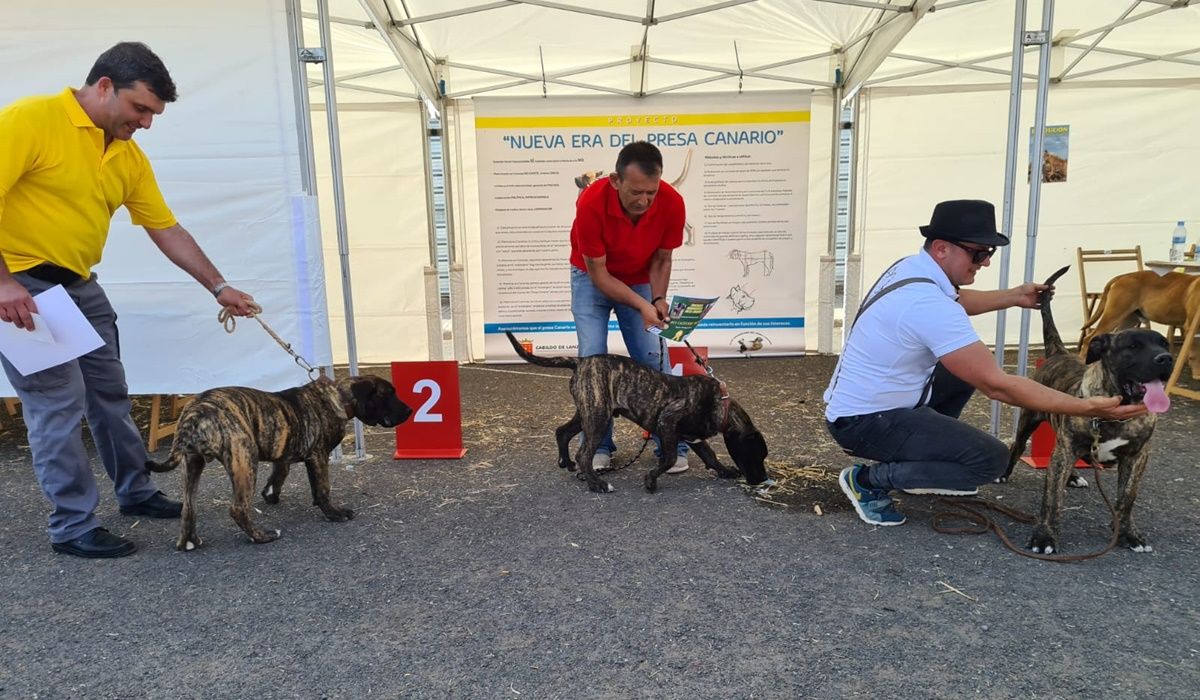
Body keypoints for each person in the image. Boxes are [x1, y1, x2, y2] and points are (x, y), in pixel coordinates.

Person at [0, 42, 256, 557]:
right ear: (103, 87)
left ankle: (135, 492)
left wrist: (220, 286)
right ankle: (72, 526)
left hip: (77, 283)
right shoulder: (29, 120)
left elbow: (166, 229)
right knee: (58, 401)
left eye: (154, 114)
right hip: (21, 286)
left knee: (110, 392)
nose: (146, 123)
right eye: (140, 109)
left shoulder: (127, 155)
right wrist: (3, 283)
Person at [823, 199, 1146, 526]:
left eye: (989, 253)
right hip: (865, 423)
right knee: (990, 460)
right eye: (978, 253)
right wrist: (1088, 407)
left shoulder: (912, 269)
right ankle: (868, 481)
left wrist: (1017, 296)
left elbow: (957, 299)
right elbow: (997, 385)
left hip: (860, 406)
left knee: (961, 372)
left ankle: (921, 466)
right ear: (941, 249)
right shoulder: (927, 304)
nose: (986, 262)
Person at [569, 140, 690, 473]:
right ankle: (597, 445)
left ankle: (670, 444)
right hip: (592, 276)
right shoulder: (591, 203)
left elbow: (663, 258)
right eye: (636, 192)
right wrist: (642, 304)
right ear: (615, 180)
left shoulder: (672, 203)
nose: (644, 200)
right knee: (593, 360)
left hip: (639, 278)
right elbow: (599, 275)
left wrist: (658, 299)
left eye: (651, 192)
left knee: (652, 357)